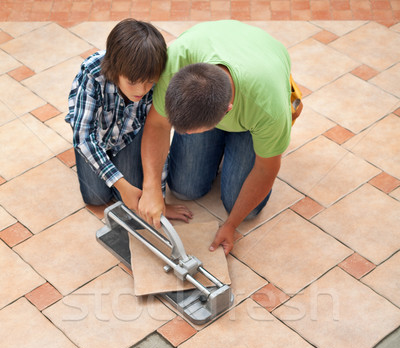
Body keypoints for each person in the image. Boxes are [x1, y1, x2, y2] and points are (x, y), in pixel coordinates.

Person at [138, 20, 302, 254]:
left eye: (190, 131)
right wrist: (151, 187)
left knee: (245, 209)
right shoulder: (176, 61)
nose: (182, 135)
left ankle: (236, 141)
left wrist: (231, 225)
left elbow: (267, 169)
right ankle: (220, 147)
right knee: (185, 190)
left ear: (226, 111)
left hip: (255, 94)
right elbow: (157, 124)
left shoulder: (268, 107)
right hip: (218, 57)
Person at [65, 18, 192, 222]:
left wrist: (159, 198)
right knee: (96, 198)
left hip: (129, 136)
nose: (142, 90)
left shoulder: (157, 77)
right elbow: (84, 138)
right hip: (95, 139)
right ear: (115, 69)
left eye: (150, 82)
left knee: (135, 198)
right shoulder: (91, 72)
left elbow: (158, 139)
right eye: (132, 82)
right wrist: (120, 184)